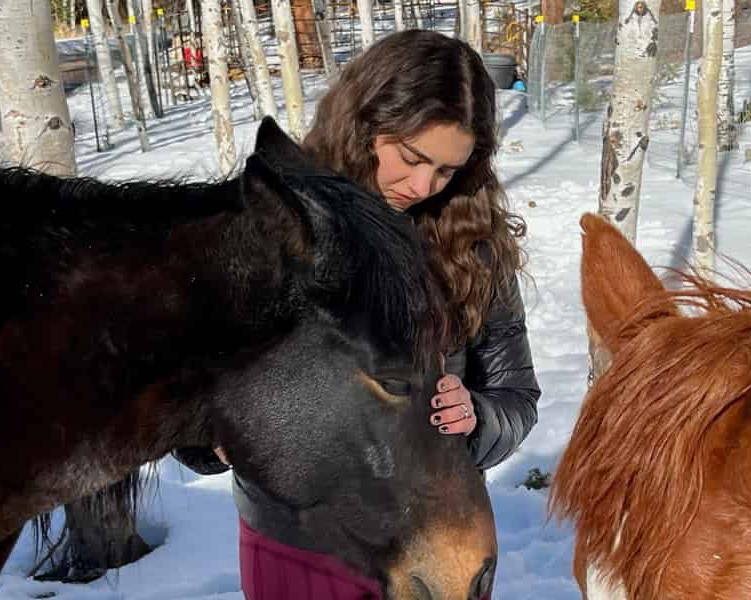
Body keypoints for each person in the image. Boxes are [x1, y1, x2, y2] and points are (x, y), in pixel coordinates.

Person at [174, 29, 540, 599]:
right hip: (300, 544)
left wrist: (478, 420)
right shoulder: (275, 229)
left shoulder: (471, 245)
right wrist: (214, 437)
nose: (423, 186)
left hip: (436, 542)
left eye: (447, 171)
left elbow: (516, 395)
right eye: (412, 157)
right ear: (363, 123)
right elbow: (196, 409)